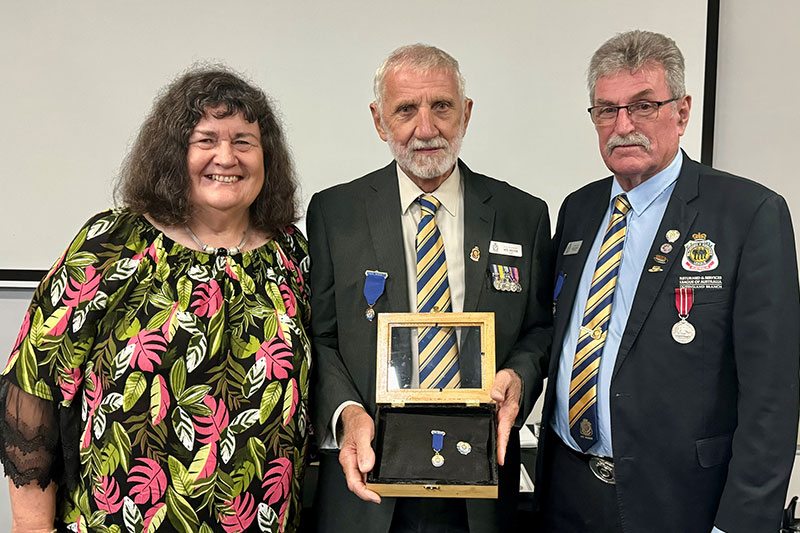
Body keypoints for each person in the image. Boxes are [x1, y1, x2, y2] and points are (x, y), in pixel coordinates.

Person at [0, 67, 311, 532]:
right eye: (205, 140)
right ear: (173, 153)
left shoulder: (292, 255)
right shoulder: (111, 243)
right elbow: (35, 387)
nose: (226, 157)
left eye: (244, 141)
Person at [536, 30, 800, 533]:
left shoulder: (748, 214)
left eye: (643, 106)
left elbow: (772, 396)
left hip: (681, 504)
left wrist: (742, 523)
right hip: (567, 492)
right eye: (606, 110)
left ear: (682, 112)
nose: (623, 125)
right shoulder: (579, 209)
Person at [307, 44, 553, 532]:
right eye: (406, 110)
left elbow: (539, 330)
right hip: (368, 485)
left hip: (478, 488)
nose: (426, 128)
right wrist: (348, 414)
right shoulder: (335, 214)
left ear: (466, 113)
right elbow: (320, 336)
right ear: (380, 122)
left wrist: (519, 379)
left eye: (441, 106)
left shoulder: (523, 214)